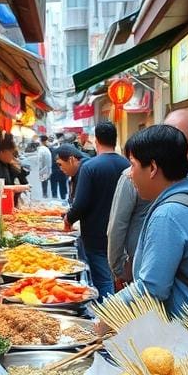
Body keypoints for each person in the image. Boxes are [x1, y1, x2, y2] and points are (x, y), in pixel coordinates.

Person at [115, 124, 188, 315]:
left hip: (182, 329)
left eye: (132, 164)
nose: (130, 174)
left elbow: (151, 288)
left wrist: (106, 312)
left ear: (152, 168)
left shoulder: (168, 215)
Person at [65, 122, 130, 299]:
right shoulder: (128, 165)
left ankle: (108, 319)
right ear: (115, 139)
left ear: (96, 140)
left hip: (95, 233)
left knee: (102, 280)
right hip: (123, 233)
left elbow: (81, 204)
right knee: (120, 278)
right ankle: (120, 312)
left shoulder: (90, 167)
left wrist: (68, 219)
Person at [35, 135, 52, 200]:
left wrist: (39, 169)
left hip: (43, 170)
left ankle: (44, 196)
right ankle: (46, 196)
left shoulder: (41, 150)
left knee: (44, 184)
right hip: (47, 169)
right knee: (46, 183)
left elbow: (40, 160)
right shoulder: (46, 149)